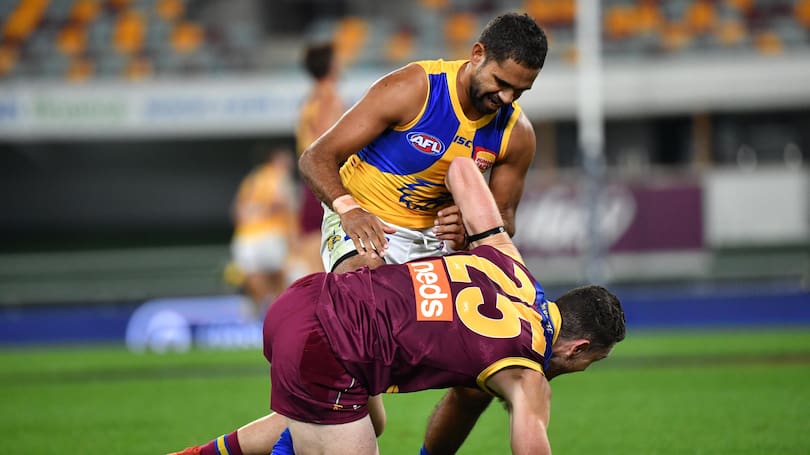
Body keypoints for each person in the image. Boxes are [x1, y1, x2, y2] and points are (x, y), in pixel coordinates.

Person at [168, 12, 549, 455]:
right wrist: (348, 208)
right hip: (367, 229)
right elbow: (316, 158)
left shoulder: (516, 134)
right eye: (501, 82)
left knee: (473, 375)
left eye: (519, 91)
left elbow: (503, 222)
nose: (505, 97)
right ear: (477, 54)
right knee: (362, 312)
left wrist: (466, 230)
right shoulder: (416, 89)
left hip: (436, 248)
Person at [174, 157, 627, 455]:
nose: (582, 369)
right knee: (333, 423)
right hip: (330, 347)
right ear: (578, 347)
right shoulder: (529, 374)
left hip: (307, 296)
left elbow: (465, 170)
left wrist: (454, 209)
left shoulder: (510, 261)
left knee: (365, 419)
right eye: (592, 362)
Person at [287, 41, 346, 279]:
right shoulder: (329, 96)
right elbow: (326, 138)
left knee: (312, 236)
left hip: (309, 174)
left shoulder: (309, 98)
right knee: (323, 238)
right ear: (331, 64)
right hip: (325, 172)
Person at [229, 146, 298, 317]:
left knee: (253, 276)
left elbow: (236, 211)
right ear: (274, 160)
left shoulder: (252, 179)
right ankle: (278, 314)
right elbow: (281, 203)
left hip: (246, 236)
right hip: (270, 234)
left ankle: (259, 314)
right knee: (279, 277)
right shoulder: (277, 177)